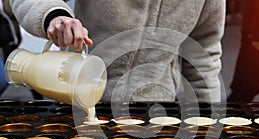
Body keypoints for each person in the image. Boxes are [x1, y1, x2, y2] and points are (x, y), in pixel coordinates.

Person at [10, 0, 225, 103]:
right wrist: (53, 15)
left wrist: (210, 119)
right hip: (77, 99)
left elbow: (203, 55)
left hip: (156, 110)